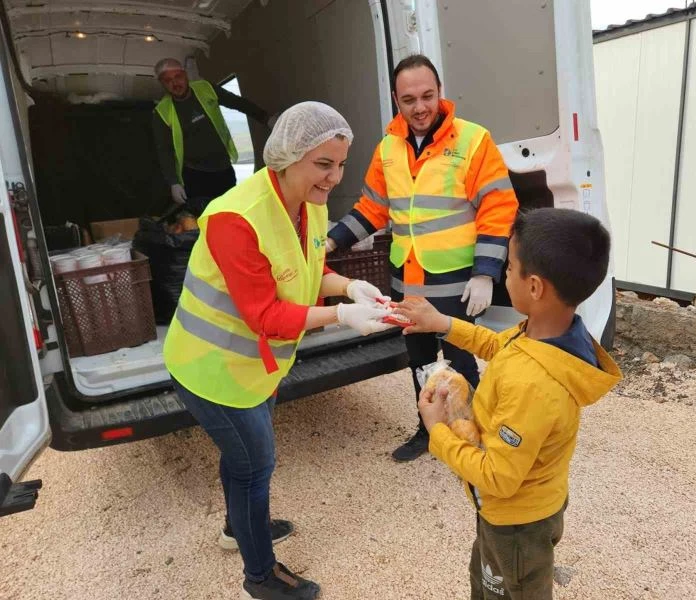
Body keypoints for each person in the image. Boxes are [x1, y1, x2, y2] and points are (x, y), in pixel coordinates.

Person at [162, 101, 393, 600]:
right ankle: (261, 577)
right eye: (323, 164)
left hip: (254, 366)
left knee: (241, 458)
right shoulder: (234, 218)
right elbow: (265, 316)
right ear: (286, 157)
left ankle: (236, 528)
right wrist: (340, 316)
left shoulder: (308, 204)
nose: (333, 178)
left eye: (340, 164)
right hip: (211, 369)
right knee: (254, 465)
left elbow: (307, 273)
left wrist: (349, 288)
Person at [395, 208, 622, 600]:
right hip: (515, 511)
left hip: (516, 523)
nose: (502, 274)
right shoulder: (550, 335)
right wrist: (443, 324)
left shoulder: (533, 384)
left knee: (511, 587)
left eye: (509, 266)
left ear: (534, 287)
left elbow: (499, 477)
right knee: (485, 583)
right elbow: (498, 346)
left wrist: (436, 430)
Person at [326, 54, 519, 462]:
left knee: (462, 357)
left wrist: (486, 274)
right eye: (409, 99)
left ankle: (477, 434)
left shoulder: (473, 140)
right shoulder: (388, 149)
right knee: (418, 359)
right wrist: (330, 242)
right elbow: (372, 208)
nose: (420, 107)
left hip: (455, 278)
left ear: (440, 93)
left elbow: (498, 207)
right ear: (396, 100)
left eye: (428, 96)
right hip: (407, 279)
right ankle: (429, 432)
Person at [152, 57, 271, 214]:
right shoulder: (162, 111)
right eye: (168, 80)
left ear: (185, 75)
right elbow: (164, 150)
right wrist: (174, 182)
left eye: (178, 77)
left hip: (223, 168)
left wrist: (266, 119)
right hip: (194, 175)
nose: (175, 83)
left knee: (231, 213)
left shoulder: (206, 89)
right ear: (162, 83)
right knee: (204, 218)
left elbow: (237, 103)